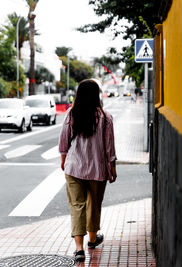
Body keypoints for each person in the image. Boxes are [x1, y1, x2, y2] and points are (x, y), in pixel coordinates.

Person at [59, 79, 117, 262]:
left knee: (77, 206)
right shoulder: (106, 118)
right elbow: (109, 147)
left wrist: (63, 160)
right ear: (97, 95)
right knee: (94, 204)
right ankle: (92, 239)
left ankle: (79, 249)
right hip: (98, 168)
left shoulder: (71, 114)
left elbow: (64, 141)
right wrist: (112, 167)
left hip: (74, 167)